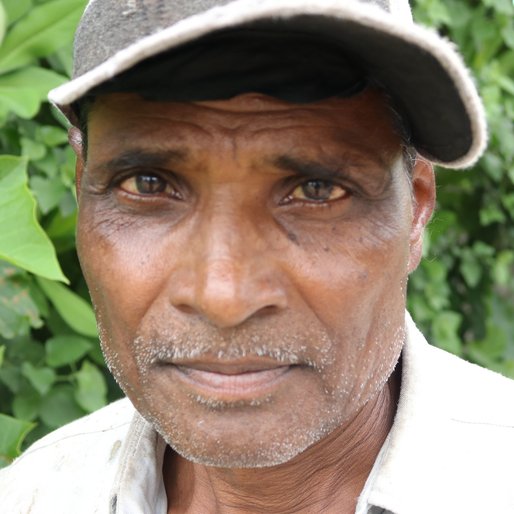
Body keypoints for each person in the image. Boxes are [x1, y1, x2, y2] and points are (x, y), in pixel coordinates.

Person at [1, 0, 513, 513]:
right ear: (80, 185)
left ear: (417, 209)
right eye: (147, 184)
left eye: (317, 190)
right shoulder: (33, 495)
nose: (223, 297)